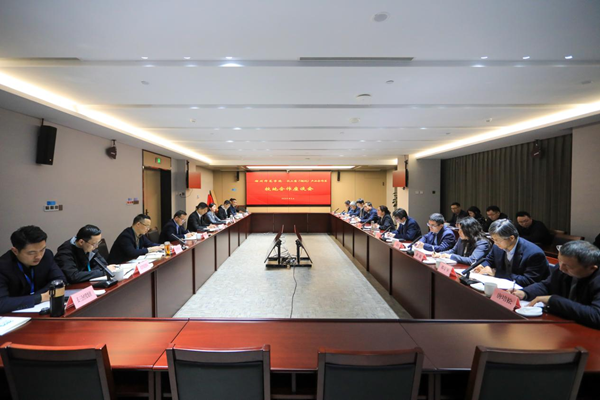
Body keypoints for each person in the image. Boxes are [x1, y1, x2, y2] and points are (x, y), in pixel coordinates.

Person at [511, 241, 600, 329]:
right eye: (560, 262)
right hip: (563, 323)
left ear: (592, 268)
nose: (561, 268)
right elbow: (547, 285)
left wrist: (553, 300)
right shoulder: (562, 268)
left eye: (568, 266)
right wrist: (525, 293)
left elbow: (596, 316)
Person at [0, 226, 66, 313]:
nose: (39, 256)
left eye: (42, 250)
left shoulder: (46, 255)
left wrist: (37, 296)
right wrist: (40, 297)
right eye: (32, 253)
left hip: (39, 310)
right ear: (15, 251)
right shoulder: (3, 266)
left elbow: (60, 280)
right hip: (15, 316)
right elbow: (2, 303)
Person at [473, 219, 549, 287]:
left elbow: (528, 281)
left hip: (525, 292)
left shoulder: (534, 254)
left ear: (511, 238)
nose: (495, 243)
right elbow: (489, 260)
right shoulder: (497, 246)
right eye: (493, 239)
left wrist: (497, 273)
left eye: (497, 240)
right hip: (502, 287)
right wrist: (483, 266)